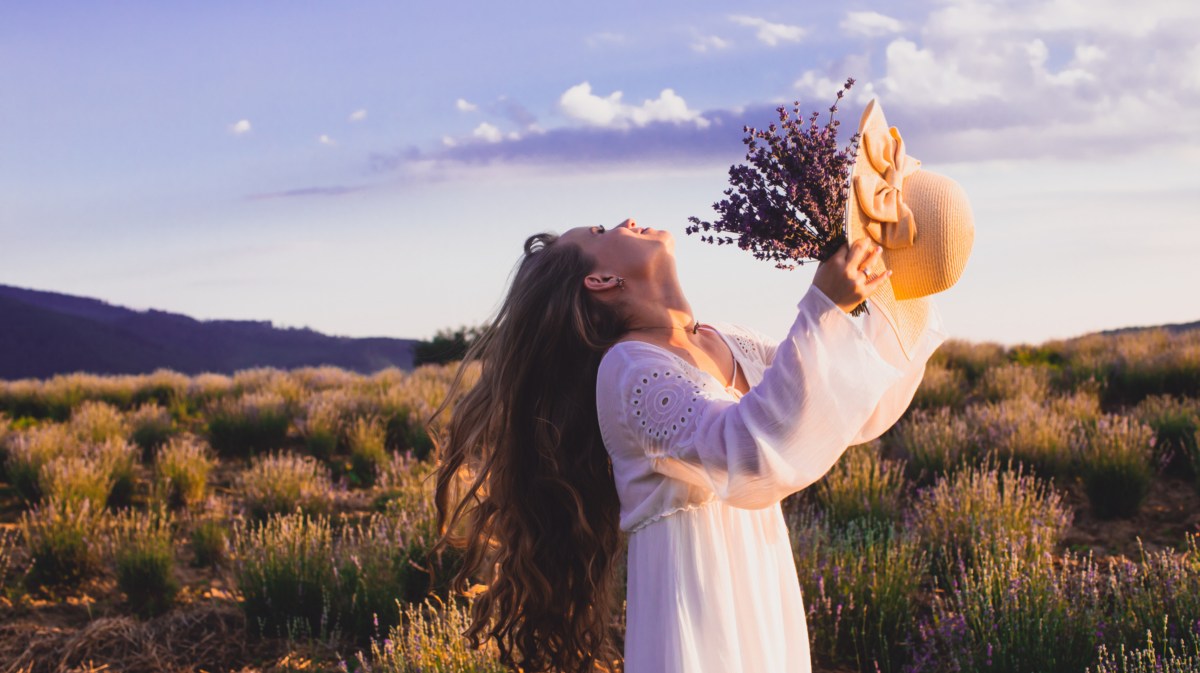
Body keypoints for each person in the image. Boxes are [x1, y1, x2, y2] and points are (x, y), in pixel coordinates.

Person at [433, 217, 944, 673]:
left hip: (759, 589)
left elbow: (849, 404)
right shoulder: (628, 366)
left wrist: (896, 278)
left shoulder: (729, 340)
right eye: (600, 231)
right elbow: (749, 451)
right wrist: (823, 307)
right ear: (601, 280)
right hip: (699, 605)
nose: (627, 219)